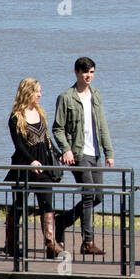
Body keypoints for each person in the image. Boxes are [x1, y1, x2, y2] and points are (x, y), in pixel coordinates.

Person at [52, 57, 115, 255]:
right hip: (78, 153)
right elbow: (57, 128)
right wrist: (66, 149)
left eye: (92, 72)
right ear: (76, 72)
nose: (88, 76)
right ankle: (87, 242)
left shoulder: (96, 95)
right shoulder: (66, 97)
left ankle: (61, 221)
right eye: (85, 72)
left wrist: (109, 152)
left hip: (95, 153)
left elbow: (102, 125)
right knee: (88, 195)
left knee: (98, 197)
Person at [6, 78, 65, 259]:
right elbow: (19, 145)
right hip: (24, 166)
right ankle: (12, 243)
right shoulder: (16, 117)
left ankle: (50, 244)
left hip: (44, 165)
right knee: (20, 205)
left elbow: (46, 139)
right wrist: (31, 161)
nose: (40, 95)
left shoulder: (40, 112)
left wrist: (59, 153)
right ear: (27, 92)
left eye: (40, 91)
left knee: (47, 203)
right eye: (37, 91)